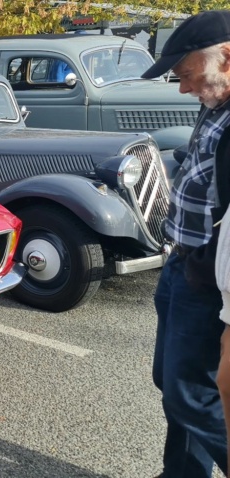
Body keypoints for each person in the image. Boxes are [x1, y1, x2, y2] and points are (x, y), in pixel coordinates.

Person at [142, 10, 230, 477]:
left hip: (211, 278)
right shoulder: (216, 101)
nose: (182, 88)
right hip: (181, 261)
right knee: (173, 381)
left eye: (187, 75)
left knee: (192, 392)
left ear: (228, 58)